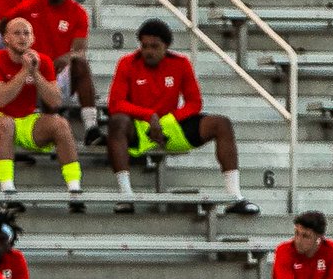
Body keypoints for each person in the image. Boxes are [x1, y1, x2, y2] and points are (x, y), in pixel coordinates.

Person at [107, 17, 259, 216]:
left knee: (221, 124)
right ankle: (126, 196)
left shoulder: (180, 63)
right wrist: (149, 116)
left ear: (166, 46)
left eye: (154, 46)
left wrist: (167, 121)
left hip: (171, 125)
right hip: (140, 126)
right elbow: (115, 103)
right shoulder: (127, 63)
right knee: (117, 121)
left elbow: (194, 102)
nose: (148, 51)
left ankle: (235, 197)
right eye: (144, 46)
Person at [0, 16, 84, 210]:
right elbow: (0, 99)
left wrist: (35, 73)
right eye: (16, 33)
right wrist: (24, 72)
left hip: (25, 120)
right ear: (6, 39)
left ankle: (74, 191)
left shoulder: (41, 61)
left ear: (33, 38)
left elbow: (55, 101)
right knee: (6, 123)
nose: (22, 37)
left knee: (60, 123)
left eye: (26, 33)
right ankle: (8, 191)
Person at [7, 0, 103, 146]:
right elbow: (4, 26)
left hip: (57, 75)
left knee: (80, 64)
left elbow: (78, 51)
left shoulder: (77, 13)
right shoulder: (30, 6)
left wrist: (64, 59)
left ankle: (91, 127)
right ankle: (47, 127)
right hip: (30, 74)